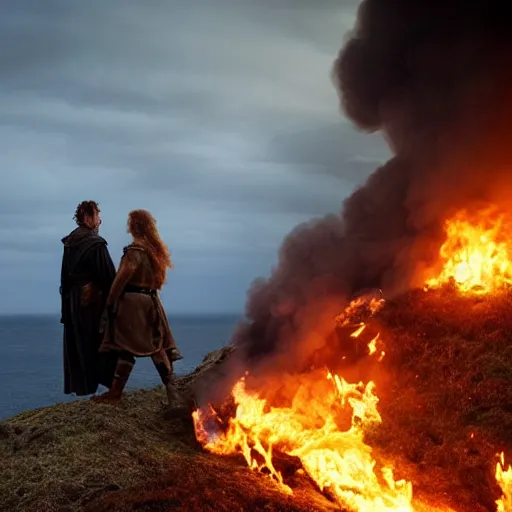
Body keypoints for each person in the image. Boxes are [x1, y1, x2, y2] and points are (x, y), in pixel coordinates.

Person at [92, 209, 184, 408]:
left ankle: (116, 393)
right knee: (156, 347)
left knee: (126, 347)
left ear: (134, 226)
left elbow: (121, 278)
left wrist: (110, 302)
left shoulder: (135, 251)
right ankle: (172, 395)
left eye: (130, 222)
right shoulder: (154, 252)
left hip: (133, 306)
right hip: (151, 302)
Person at [60, 200, 117, 396]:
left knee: (82, 346)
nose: (99, 221)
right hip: (94, 306)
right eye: (97, 216)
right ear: (87, 217)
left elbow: (65, 279)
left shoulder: (71, 242)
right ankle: (111, 387)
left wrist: (66, 311)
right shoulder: (95, 244)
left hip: (74, 304)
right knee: (101, 344)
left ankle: (87, 388)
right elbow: (109, 276)